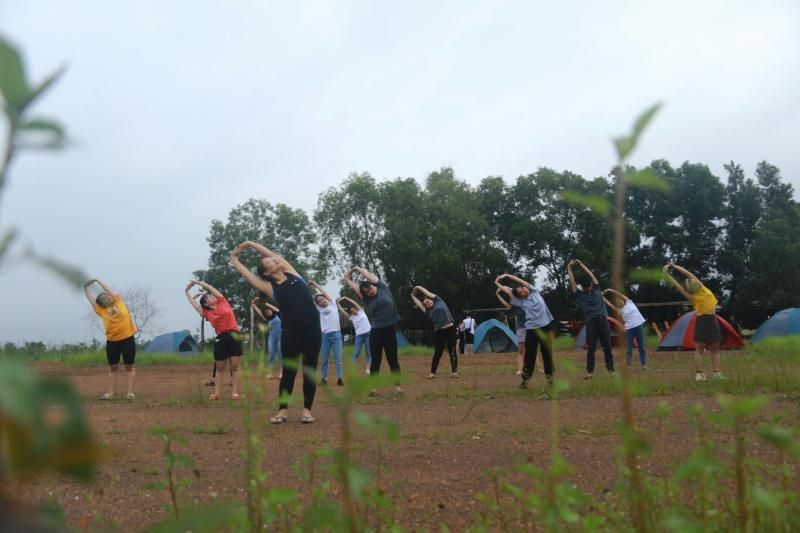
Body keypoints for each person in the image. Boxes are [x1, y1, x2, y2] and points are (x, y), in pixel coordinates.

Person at [231, 241, 320, 423]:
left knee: (310, 370)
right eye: (269, 261)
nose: (274, 259)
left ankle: (307, 410)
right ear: (266, 272)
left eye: (274, 258)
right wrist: (234, 258)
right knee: (289, 372)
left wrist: (249, 243)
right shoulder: (271, 288)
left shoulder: (293, 274)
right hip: (291, 332)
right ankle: (282, 410)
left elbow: (271, 252)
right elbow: (247, 274)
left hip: (312, 329)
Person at [343, 266, 402, 395]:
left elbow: (368, 276)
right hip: (376, 331)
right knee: (376, 360)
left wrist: (357, 269)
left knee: (392, 359)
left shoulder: (383, 288)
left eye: (370, 288)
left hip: (390, 329)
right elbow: (352, 285)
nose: (370, 291)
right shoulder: (367, 299)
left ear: (373, 285)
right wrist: (347, 277)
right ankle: (374, 388)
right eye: (367, 291)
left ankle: (398, 388)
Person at [663, 262, 723, 381]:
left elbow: (688, 274)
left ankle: (717, 373)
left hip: (712, 320)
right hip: (702, 321)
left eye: (694, 280)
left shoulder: (704, 289)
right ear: (691, 288)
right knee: (699, 349)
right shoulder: (693, 297)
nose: (694, 280)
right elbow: (678, 286)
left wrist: (674, 266)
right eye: (692, 282)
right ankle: (700, 374)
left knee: (715, 350)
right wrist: (667, 275)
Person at [185, 280, 242, 401]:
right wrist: (187, 291)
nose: (211, 296)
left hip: (235, 335)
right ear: (206, 303)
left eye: (210, 295)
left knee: (235, 366)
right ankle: (216, 393)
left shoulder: (223, 302)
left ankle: (235, 393)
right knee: (220, 368)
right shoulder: (206, 312)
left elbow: (211, 287)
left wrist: (198, 282)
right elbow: (193, 304)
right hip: (221, 338)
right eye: (208, 297)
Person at [495, 274, 555, 388]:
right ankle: (525, 381)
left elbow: (521, 281)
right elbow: (508, 292)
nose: (524, 290)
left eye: (523, 288)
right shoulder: (521, 302)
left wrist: (507, 275)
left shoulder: (535, 292)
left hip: (545, 327)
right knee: (530, 355)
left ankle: (550, 379)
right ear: (520, 297)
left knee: (547, 353)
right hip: (531, 330)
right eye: (521, 292)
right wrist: (497, 283)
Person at [84, 278, 138, 400]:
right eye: (103, 298)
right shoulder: (101, 310)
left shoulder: (118, 301)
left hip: (127, 339)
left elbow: (107, 289)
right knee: (113, 367)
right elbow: (91, 300)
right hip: (112, 342)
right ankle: (111, 393)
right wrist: (85, 289)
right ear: (101, 303)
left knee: (129, 366)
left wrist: (97, 280)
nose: (107, 297)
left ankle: (129, 393)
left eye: (107, 296)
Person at [567, 260, 615, 379]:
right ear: (582, 287)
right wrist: (569, 267)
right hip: (590, 322)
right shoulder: (580, 294)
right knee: (591, 348)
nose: (588, 289)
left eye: (589, 286)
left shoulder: (596, 289)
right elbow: (572, 281)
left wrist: (582, 264)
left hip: (602, 320)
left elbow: (591, 275)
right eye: (585, 287)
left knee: (607, 347)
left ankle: (611, 371)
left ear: (591, 285)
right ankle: (590, 373)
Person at [411, 286, 459, 378]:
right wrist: (413, 296)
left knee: (452, 351)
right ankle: (432, 373)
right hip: (439, 331)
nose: (427, 303)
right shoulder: (428, 312)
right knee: (438, 352)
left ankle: (454, 372)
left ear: (430, 299)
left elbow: (427, 292)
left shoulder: (438, 300)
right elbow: (419, 304)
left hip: (450, 329)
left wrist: (417, 287)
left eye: (427, 301)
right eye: (425, 304)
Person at [309, 280, 344, 386]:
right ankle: (324, 379)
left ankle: (340, 378)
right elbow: (309, 300)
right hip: (325, 336)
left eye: (322, 299)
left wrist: (315, 284)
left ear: (325, 298)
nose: (321, 302)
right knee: (324, 359)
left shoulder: (332, 303)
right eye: (319, 301)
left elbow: (323, 291)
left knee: (338, 359)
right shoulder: (319, 309)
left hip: (336, 335)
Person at [602, 289, 648, 370]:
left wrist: (611, 290)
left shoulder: (630, 303)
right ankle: (629, 366)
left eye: (620, 300)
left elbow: (620, 294)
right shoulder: (620, 310)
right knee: (629, 348)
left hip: (639, 326)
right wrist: (602, 297)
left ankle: (644, 365)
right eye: (617, 302)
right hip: (629, 329)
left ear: (622, 300)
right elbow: (610, 305)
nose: (619, 301)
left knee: (642, 347)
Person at [337, 296, 372, 374]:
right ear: (351, 312)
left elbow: (354, 302)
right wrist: (338, 303)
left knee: (368, 352)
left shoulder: (361, 311)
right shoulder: (351, 317)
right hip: (359, 336)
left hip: (368, 334)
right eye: (352, 310)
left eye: (355, 309)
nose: (355, 310)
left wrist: (346, 297)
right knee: (356, 352)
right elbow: (342, 310)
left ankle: (368, 369)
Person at [496, 288, 525, 375]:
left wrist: (502, 286)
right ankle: (520, 369)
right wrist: (498, 294)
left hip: (530, 326)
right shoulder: (513, 306)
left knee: (532, 348)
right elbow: (505, 303)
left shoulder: (524, 300)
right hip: (521, 328)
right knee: (521, 350)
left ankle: (539, 368)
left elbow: (512, 291)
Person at [252, 298, 282, 379]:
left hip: (281, 336)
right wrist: (253, 305)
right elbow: (259, 312)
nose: (268, 312)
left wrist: (263, 301)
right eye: (266, 312)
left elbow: (272, 307)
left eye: (268, 310)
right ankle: (270, 373)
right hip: (272, 337)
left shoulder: (278, 314)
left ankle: (282, 373)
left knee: (280, 354)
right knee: (271, 353)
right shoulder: (267, 319)